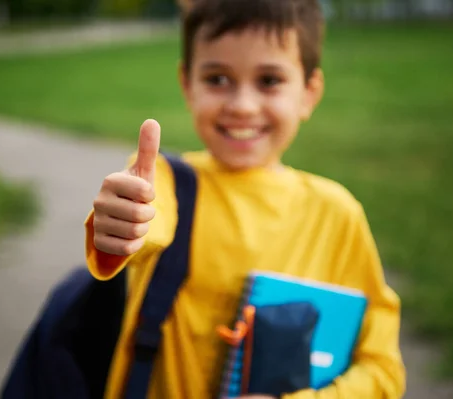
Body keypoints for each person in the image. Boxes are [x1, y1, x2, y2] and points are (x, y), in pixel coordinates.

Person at [85, 0, 406, 398]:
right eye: (217, 78)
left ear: (309, 92)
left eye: (269, 80)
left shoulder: (336, 215)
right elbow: (145, 227)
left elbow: (381, 368)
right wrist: (123, 224)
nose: (242, 105)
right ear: (187, 84)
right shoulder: (163, 181)